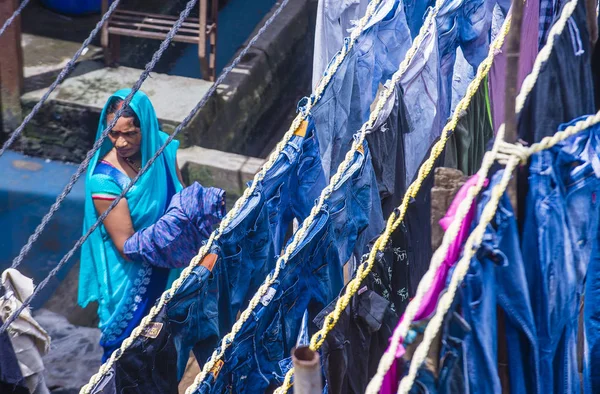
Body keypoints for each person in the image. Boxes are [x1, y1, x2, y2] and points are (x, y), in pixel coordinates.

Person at [78, 89, 187, 361]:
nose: (121, 143)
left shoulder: (162, 149)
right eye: (113, 134)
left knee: (166, 345)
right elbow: (128, 246)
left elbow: (182, 197)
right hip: (131, 282)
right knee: (127, 355)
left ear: (146, 128)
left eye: (130, 134)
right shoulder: (104, 180)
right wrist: (181, 233)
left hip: (171, 265)